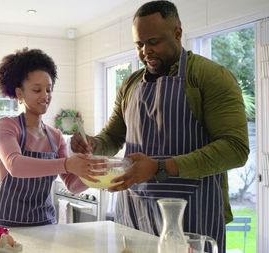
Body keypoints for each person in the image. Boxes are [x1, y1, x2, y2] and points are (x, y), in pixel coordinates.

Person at [70, 1, 249, 252]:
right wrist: (93, 143)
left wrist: (160, 167)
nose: (145, 52)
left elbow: (235, 148)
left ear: (178, 33)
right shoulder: (130, 84)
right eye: (139, 44)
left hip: (192, 216)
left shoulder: (209, 77)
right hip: (133, 214)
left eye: (153, 42)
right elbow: (112, 136)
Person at [0, 48, 104, 227]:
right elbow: (15, 165)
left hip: (45, 226)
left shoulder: (55, 136)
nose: (45, 96)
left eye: (48, 90)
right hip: (5, 227)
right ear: (19, 93)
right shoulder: (7, 126)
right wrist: (67, 163)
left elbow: (73, 185)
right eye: (36, 90)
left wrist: (94, 170)